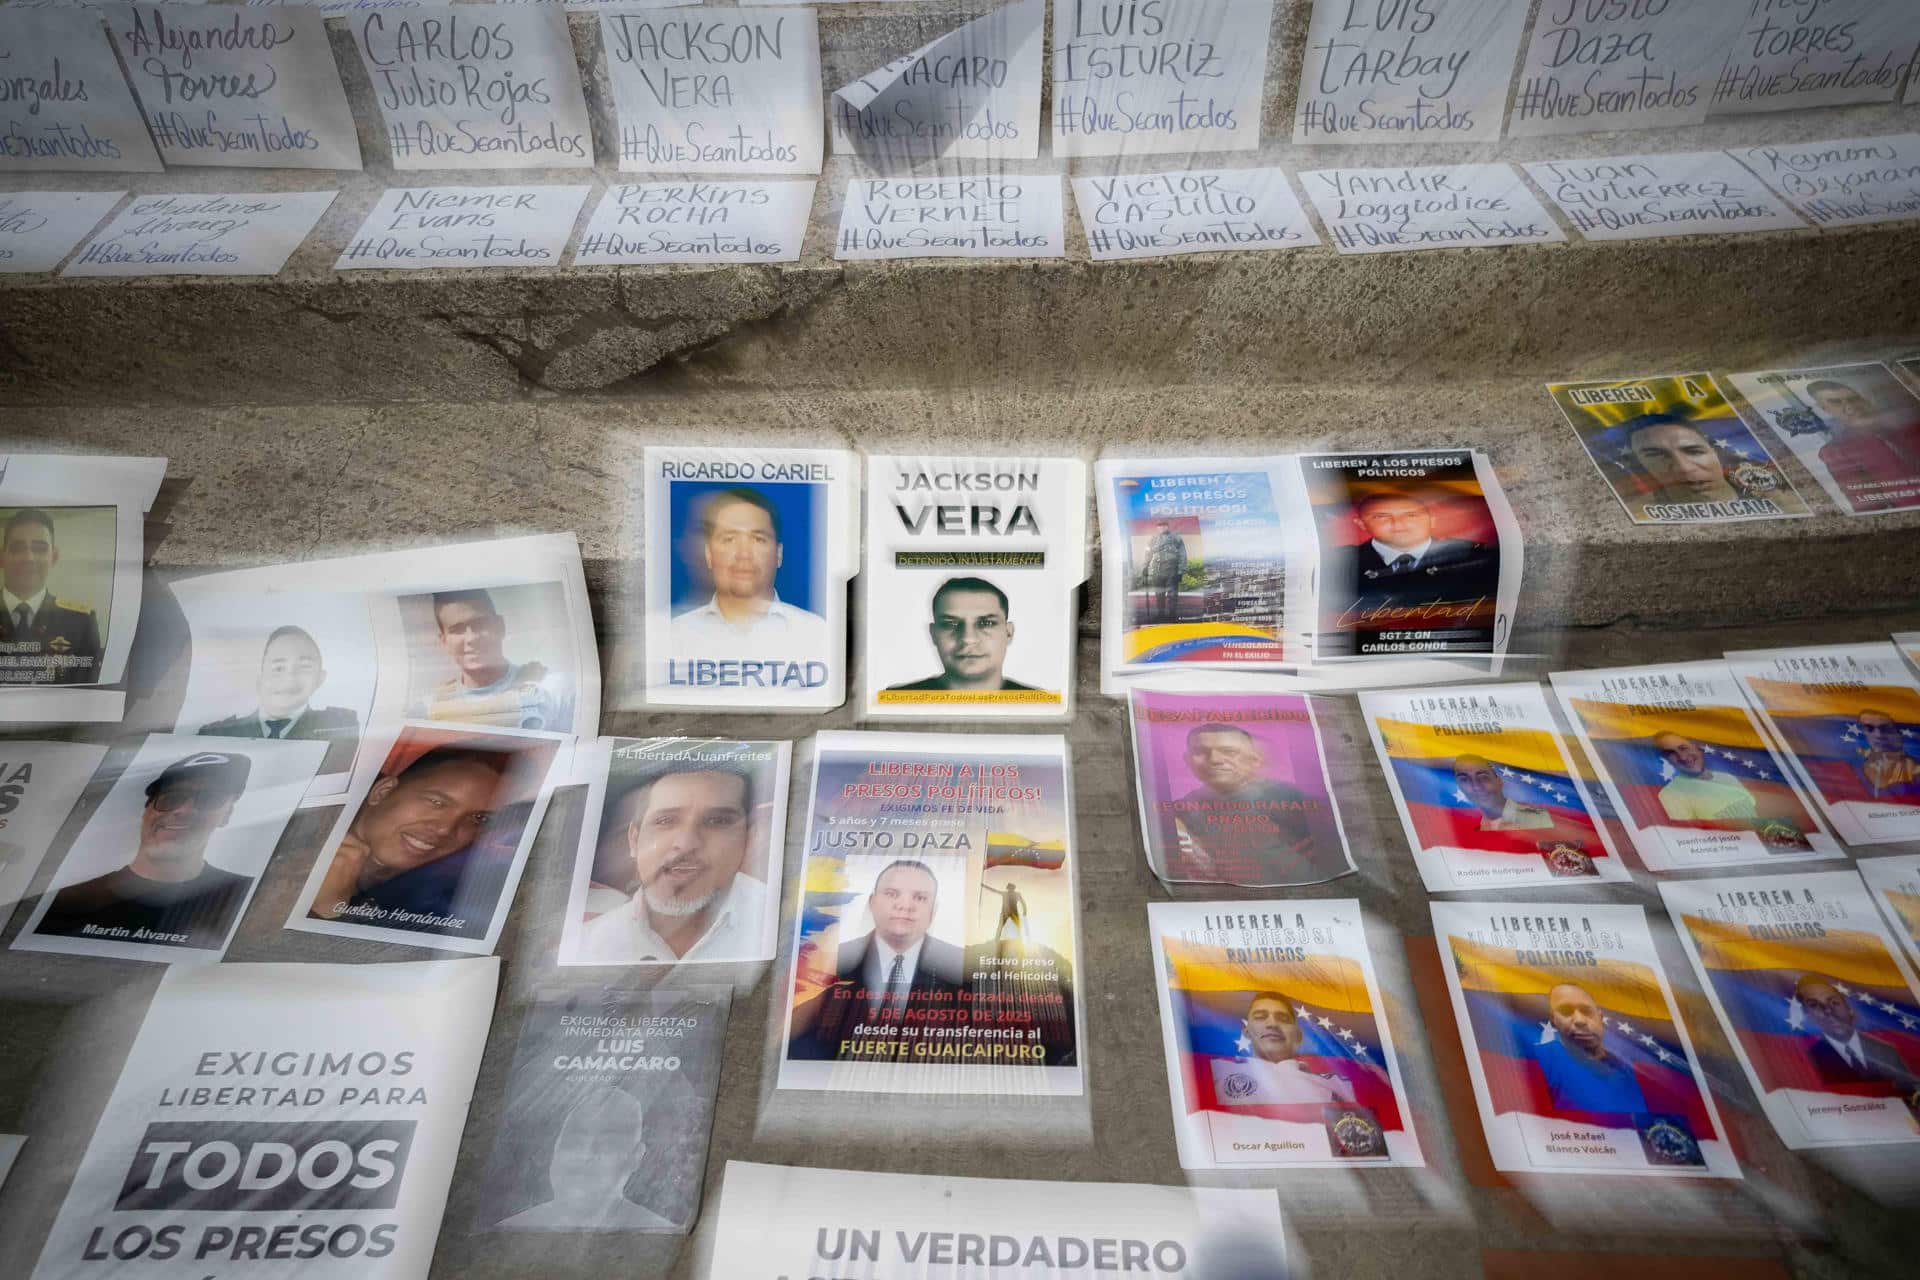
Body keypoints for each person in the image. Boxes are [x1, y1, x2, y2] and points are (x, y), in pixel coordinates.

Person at [36, 751, 252, 948]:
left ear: (227, 814)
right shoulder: (69, 900)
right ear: (146, 811)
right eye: (171, 798)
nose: (183, 810)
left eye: (208, 799)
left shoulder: (245, 898)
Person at [576, 763, 768, 964]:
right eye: (665, 821)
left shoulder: (781, 919)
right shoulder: (587, 945)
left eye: (717, 821)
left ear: (749, 838)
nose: (686, 844)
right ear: (634, 840)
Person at [306, 746, 509, 921]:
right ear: (382, 792)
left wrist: (331, 908)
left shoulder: (443, 895)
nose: (445, 829)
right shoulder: (300, 838)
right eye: (437, 802)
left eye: (478, 818)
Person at [788, 859, 962, 1060]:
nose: (905, 906)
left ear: (934, 910)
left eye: (920, 898)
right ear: (872, 903)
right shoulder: (829, 961)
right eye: (892, 894)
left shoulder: (959, 968)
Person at [495, 1086, 678, 1231]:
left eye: (607, 1144)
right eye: (574, 1141)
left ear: (635, 1158)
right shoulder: (508, 1231)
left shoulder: (660, 1232)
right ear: (555, 1147)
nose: (586, 1154)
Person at [668, 488, 829, 652]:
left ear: (779, 554)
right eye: (729, 539)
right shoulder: (675, 635)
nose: (744, 554)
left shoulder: (816, 633)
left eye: (758, 539)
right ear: (709, 555)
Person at [1159, 724, 1317, 881]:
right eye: (1200, 751)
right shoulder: (1179, 812)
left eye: (1229, 752)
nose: (1214, 759)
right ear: (1187, 760)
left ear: (1254, 760)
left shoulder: (1292, 799)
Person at [198, 625, 360, 773]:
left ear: (320, 679)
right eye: (278, 668)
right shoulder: (217, 734)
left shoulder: (339, 729)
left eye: (304, 667)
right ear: (260, 678)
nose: (289, 678)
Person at [422, 589, 571, 731]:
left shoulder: (554, 692)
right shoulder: (430, 710)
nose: (472, 638)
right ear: (444, 641)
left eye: (480, 624)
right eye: (457, 630)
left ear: (500, 626)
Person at [0, 508, 102, 685]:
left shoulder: (80, 623)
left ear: (53, 557)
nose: (28, 558)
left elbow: (87, 692)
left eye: (40, 548)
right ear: (2, 557)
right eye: (17, 548)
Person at [1342, 492, 1497, 605]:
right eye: (1381, 517)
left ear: (1432, 520)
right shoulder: (1338, 562)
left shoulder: (1476, 556)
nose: (1398, 524)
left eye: (1411, 516)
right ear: (1361, 524)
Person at [887, 577, 1035, 693]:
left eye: (986, 623)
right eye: (950, 624)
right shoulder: (895, 702)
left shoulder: (1041, 704)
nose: (968, 639)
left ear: (1008, 633)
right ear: (933, 634)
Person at [1210, 992, 1356, 1105]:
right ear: (1246, 1031)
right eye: (1260, 1017)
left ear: (1297, 1035)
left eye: (1283, 1018)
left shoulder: (1340, 1085)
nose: (1272, 1024)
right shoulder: (1216, 1070)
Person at [1805, 377, 1920, 513]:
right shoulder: (1836, 450)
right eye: (1836, 402)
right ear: (1824, 408)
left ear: (1865, 399)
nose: (1850, 406)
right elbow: (1868, 505)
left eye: (1853, 399)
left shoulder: (1909, 424)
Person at [1536, 982, 1650, 1114]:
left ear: (1600, 1018)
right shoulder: (1540, 1059)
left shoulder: (1625, 1068)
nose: (1579, 1020)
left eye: (1587, 1011)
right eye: (1566, 1011)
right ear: (1553, 1019)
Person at [1796, 975, 1920, 1089]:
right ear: (1808, 1015)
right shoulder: (1811, 1059)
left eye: (1834, 1002)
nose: (1828, 1011)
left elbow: (1913, 1092)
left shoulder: (1887, 1052)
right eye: (1814, 1005)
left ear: (1849, 1007)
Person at [1624, 415, 1739, 508]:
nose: (1684, 468)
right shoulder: (1638, 510)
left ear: (1716, 454)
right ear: (1639, 467)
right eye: (1657, 456)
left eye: (1694, 451)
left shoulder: (1748, 483)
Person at [1652, 732, 1761, 822]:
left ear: (1697, 747)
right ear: (1666, 760)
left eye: (1684, 748)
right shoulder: (1670, 794)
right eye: (1671, 753)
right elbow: (1690, 835)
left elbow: (1754, 813)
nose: (1683, 757)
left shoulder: (1727, 777)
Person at [1451, 753, 1553, 832]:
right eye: (1464, 779)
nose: (1476, 786)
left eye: (1483, 777)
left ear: (1499, 781)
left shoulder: (1539, 819)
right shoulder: (1467, 831)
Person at [1856, 708, 1920, 799]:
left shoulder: (1914, 769)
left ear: (1900, 733)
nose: (1878, 735)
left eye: (1886, 729)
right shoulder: (1854, 769)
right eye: (1869, 728)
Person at [1140, 519, 1187, 622]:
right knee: (1159, 594)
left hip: (1172, 570)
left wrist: (1181, 571)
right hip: (1157, 570)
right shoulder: (1152, 539)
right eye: (1159, 526)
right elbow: (1148, 554)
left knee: (1172, 595)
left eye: (1164, 525)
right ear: (1157, 527)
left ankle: (1171, 616)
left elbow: (1182, 554)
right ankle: (1160, 615)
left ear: (1167, 526)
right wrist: (1145, 567)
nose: (1162, 527)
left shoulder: (1176, 538)